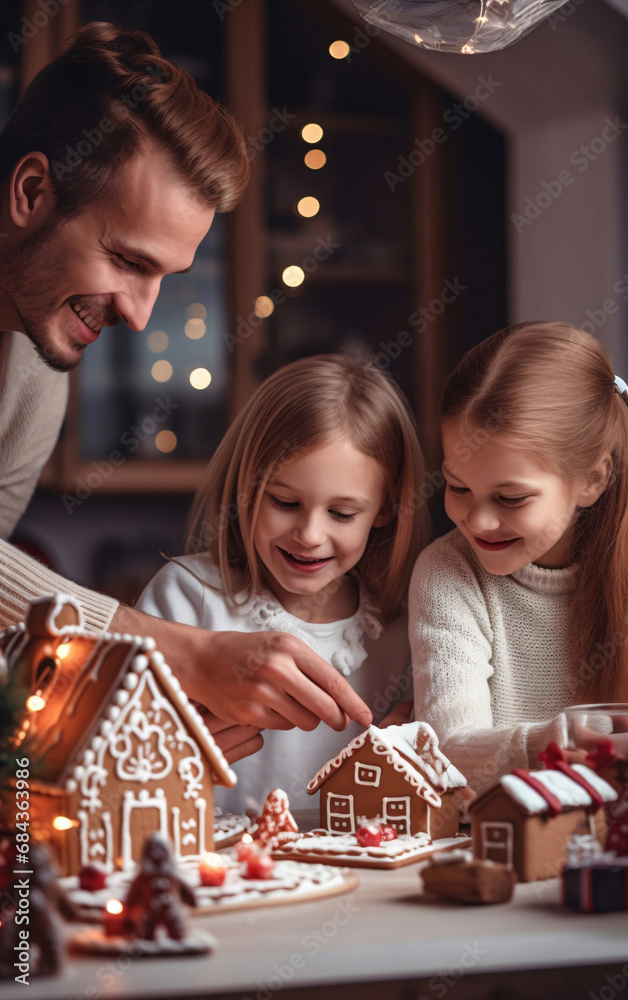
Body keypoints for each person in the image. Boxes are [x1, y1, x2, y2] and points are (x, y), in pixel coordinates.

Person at [0, 21, 374, 762]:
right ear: (31, 191)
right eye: (126, 260)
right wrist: (182, 653)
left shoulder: (38, 374)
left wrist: (138, 735)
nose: (141, 315)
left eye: (163, 278)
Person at [137, 353, 431, 810]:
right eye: (284, 502)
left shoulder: (402, 628)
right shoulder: (185, 598)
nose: (309, 535)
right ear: (246, 487)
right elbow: (123, 758)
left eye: (342, 513)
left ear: (386, 510)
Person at [409, 321, 628, 795]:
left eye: (510, 498)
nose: (478, 520)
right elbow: (446, 754)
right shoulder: (448, 572)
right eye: (458, 487)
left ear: (593, 479)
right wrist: (552, 743)